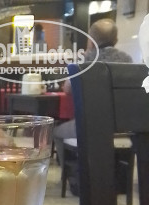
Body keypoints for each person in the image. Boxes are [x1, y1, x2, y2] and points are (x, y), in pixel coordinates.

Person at [54, 18, 132, 195]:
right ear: (116, 39)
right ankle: (118, 180)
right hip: (122, 128)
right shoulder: (127, 60)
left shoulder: (85, 60)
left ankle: (74, 178)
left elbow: (67, 89)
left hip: (89, 126)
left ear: (90, 40)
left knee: (57, 132)